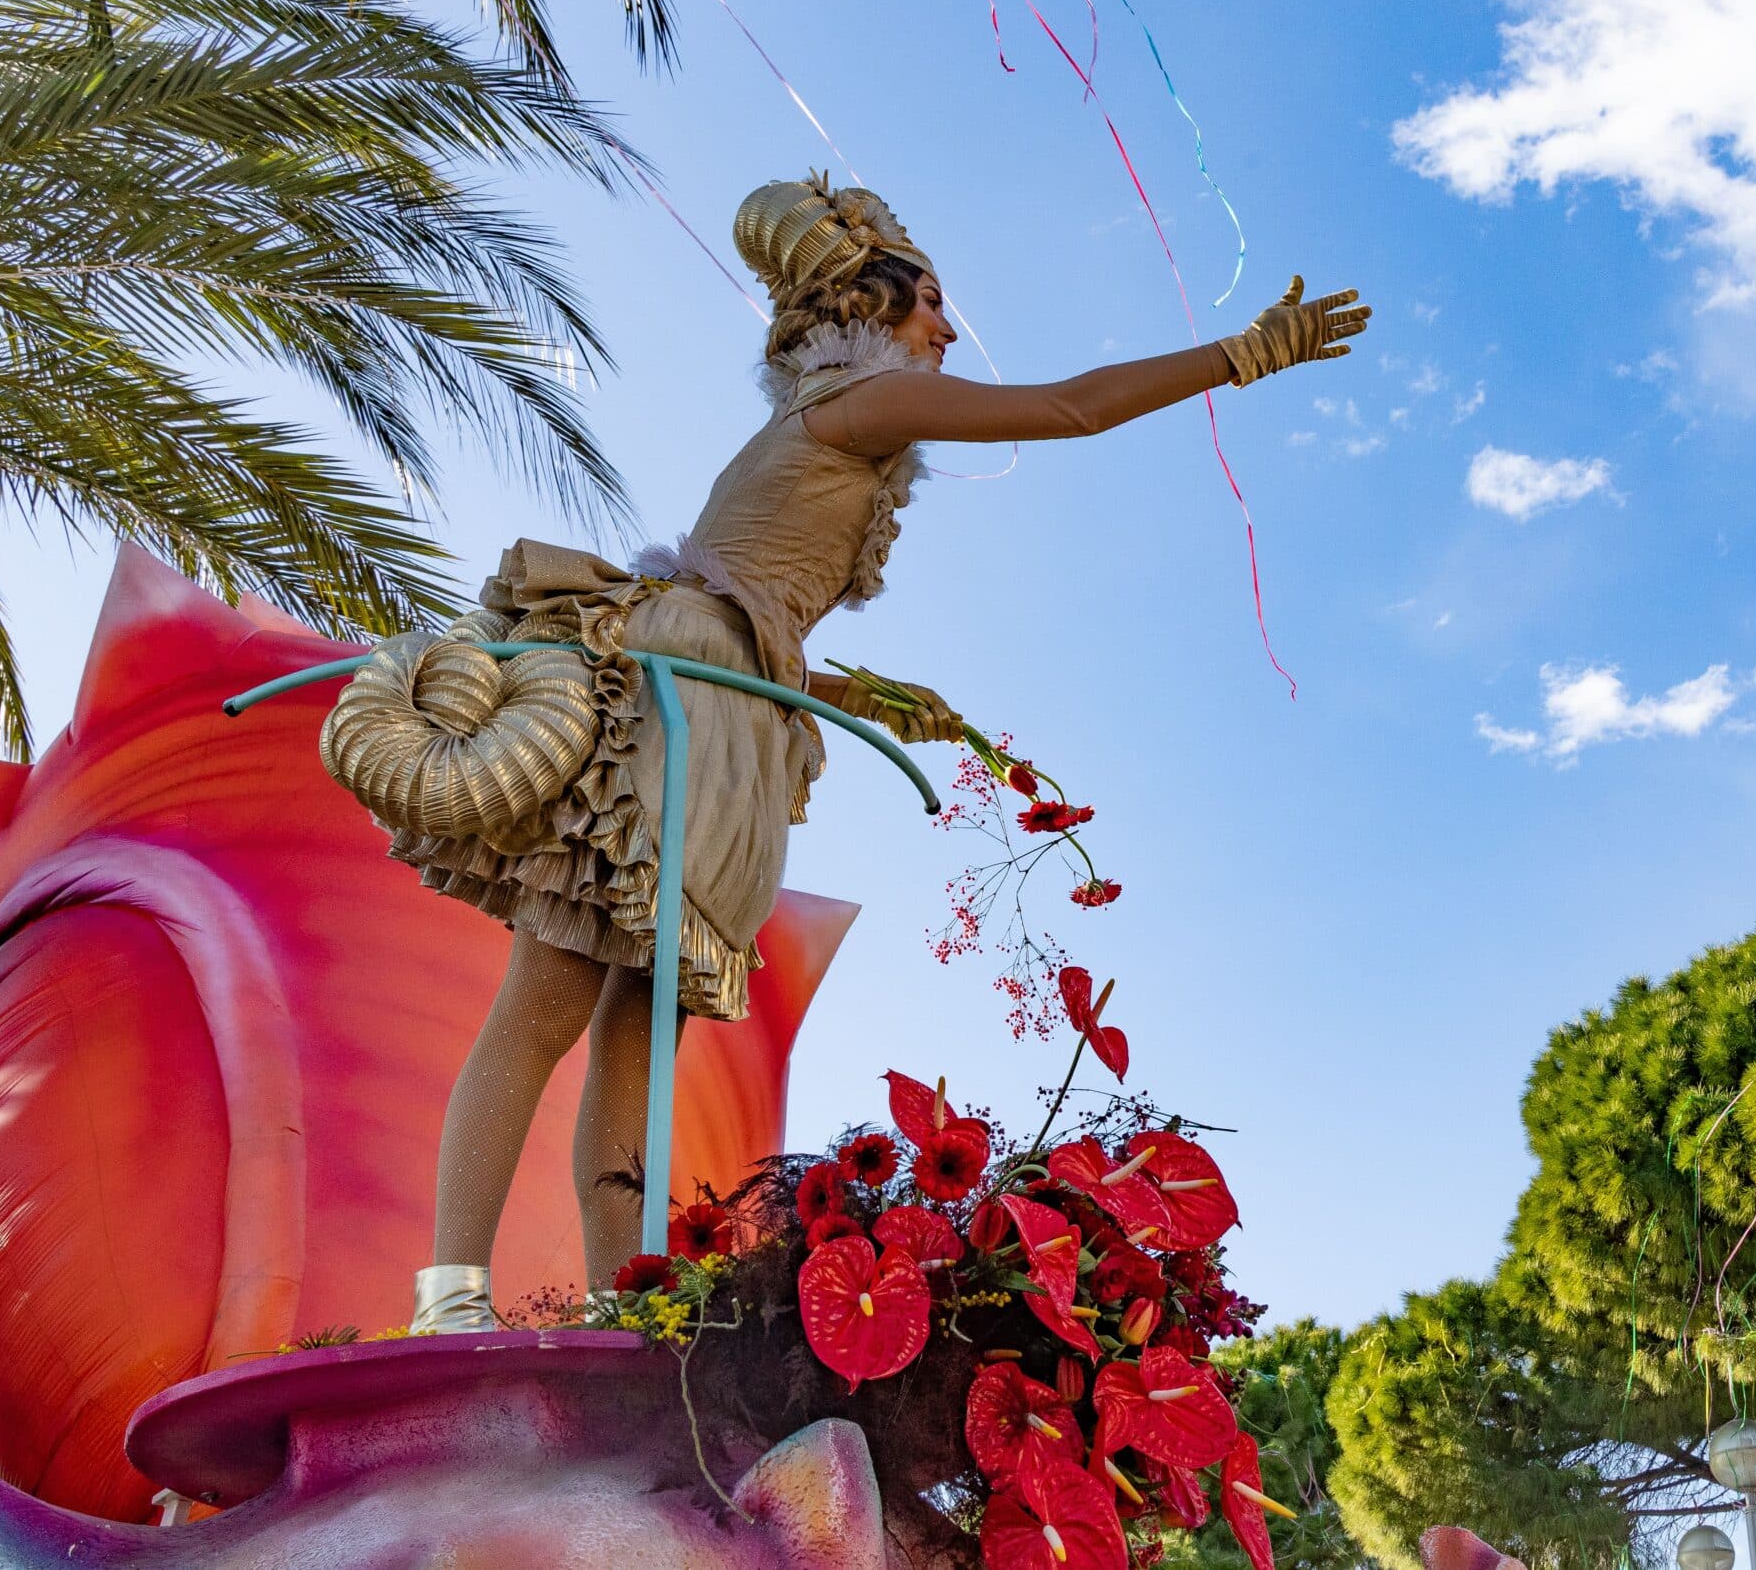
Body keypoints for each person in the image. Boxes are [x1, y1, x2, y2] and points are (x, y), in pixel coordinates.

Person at [316, 172, 1369, 1332]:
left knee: (641, 1027)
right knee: (548, 998)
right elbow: (1070, 408)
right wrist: (1241, 356)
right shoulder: (862, 398)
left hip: (730, 708)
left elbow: (747, 620)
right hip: (686, 703)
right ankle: (451, 1294)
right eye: (933, 302)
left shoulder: (828, 423)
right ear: (869, 302)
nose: (948, 330)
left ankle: (621, 1309)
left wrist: (861, 695)